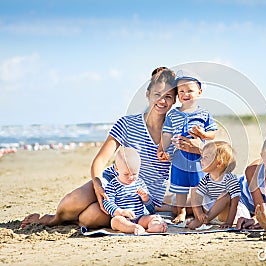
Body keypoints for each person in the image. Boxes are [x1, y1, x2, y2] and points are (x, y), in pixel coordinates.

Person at [21, 67, 200, 228]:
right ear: (147, 95)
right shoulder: (127, 123)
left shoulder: (178, 130)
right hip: (113, 183)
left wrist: (196, 147)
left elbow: (194, 163)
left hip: (144, 196)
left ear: (175, 100)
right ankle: (54, 220)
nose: (162, 101)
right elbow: (100, 160)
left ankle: (77, 220)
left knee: (91, 217)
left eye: (168, 96)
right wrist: (98, 185)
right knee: (72, 201)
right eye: (157, 95)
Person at [157, 76, 218, 223]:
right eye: (182, 91)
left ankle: (199, 210)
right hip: (178, 157)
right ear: (178, 95)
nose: (186, 94)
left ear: (199, 92)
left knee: (198, 185)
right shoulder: (172, 114)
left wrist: (203, 134)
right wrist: (162, 149)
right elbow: (166, 134)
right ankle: (181, 211)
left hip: (198, 158)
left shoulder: (203, 113)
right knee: (180, 186)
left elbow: (213, 133)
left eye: (190, 90)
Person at [103, 147, 166, 234]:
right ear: (116, 169)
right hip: (123, 219)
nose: (131, 177)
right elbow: (107, 203)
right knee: (115, 221)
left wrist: (145, 198)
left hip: (140, 218)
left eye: (134, 174)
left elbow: (151, 208)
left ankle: (153, 227)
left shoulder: (139, 183)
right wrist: (120, 211)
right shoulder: (113, 185)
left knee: (155, 217)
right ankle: (134, 228)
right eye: (126, 174)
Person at [187, 141, 240, 229]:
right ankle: (199, 218)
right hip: (209, 211)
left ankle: (204, 221)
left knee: (226, 196)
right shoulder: (207, 179)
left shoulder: (230, 179)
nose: (201, 160)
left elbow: (234, 204)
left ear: (219, 163)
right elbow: (198, 197)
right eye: (202, 157)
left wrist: (229, 223)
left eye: (206, 157)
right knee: (195, 190)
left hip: (224, 215)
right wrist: (199, 213)